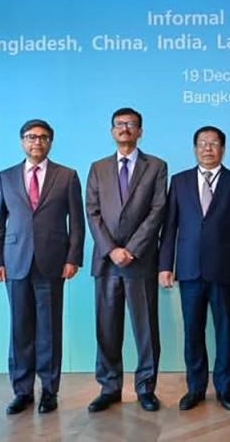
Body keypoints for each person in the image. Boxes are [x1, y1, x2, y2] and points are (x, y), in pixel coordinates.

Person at [0, 119, 85, 415]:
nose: (37, 142)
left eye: (43, 137)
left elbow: (77, 223)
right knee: (20, 329)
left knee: (49, 330)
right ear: (22, 141)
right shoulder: (5, 177)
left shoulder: (67, 176)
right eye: (31, 137)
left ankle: (49, 391)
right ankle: (22, 391)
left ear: (50, 142)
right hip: (15, 262)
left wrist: (73, 258)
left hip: (53, 262)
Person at [159, 126, 230, 411]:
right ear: (195, 148)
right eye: (202, 144)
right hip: (189, 269)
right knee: (193, 331)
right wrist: (165, 265)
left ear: (223, 149)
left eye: (213, 144)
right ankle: (196, 388)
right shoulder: (179, 181)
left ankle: (225, 388)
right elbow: (170, 227)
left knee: (225, 331)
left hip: (225, 270)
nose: (207, 149)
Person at [85, 108, 168, 413]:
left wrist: (131, 249)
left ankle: (146, 388)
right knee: (106, 328)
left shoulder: (156, 166)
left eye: (131, 124)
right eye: (119, 124)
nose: (125, 128)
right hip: (106, 262)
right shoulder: (98, 168)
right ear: (112, 131)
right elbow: (92, 211)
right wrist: (112, 250)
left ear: (140, 131)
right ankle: (109, 387)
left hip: (140, 260)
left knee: (145, 330)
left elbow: (158, 210)